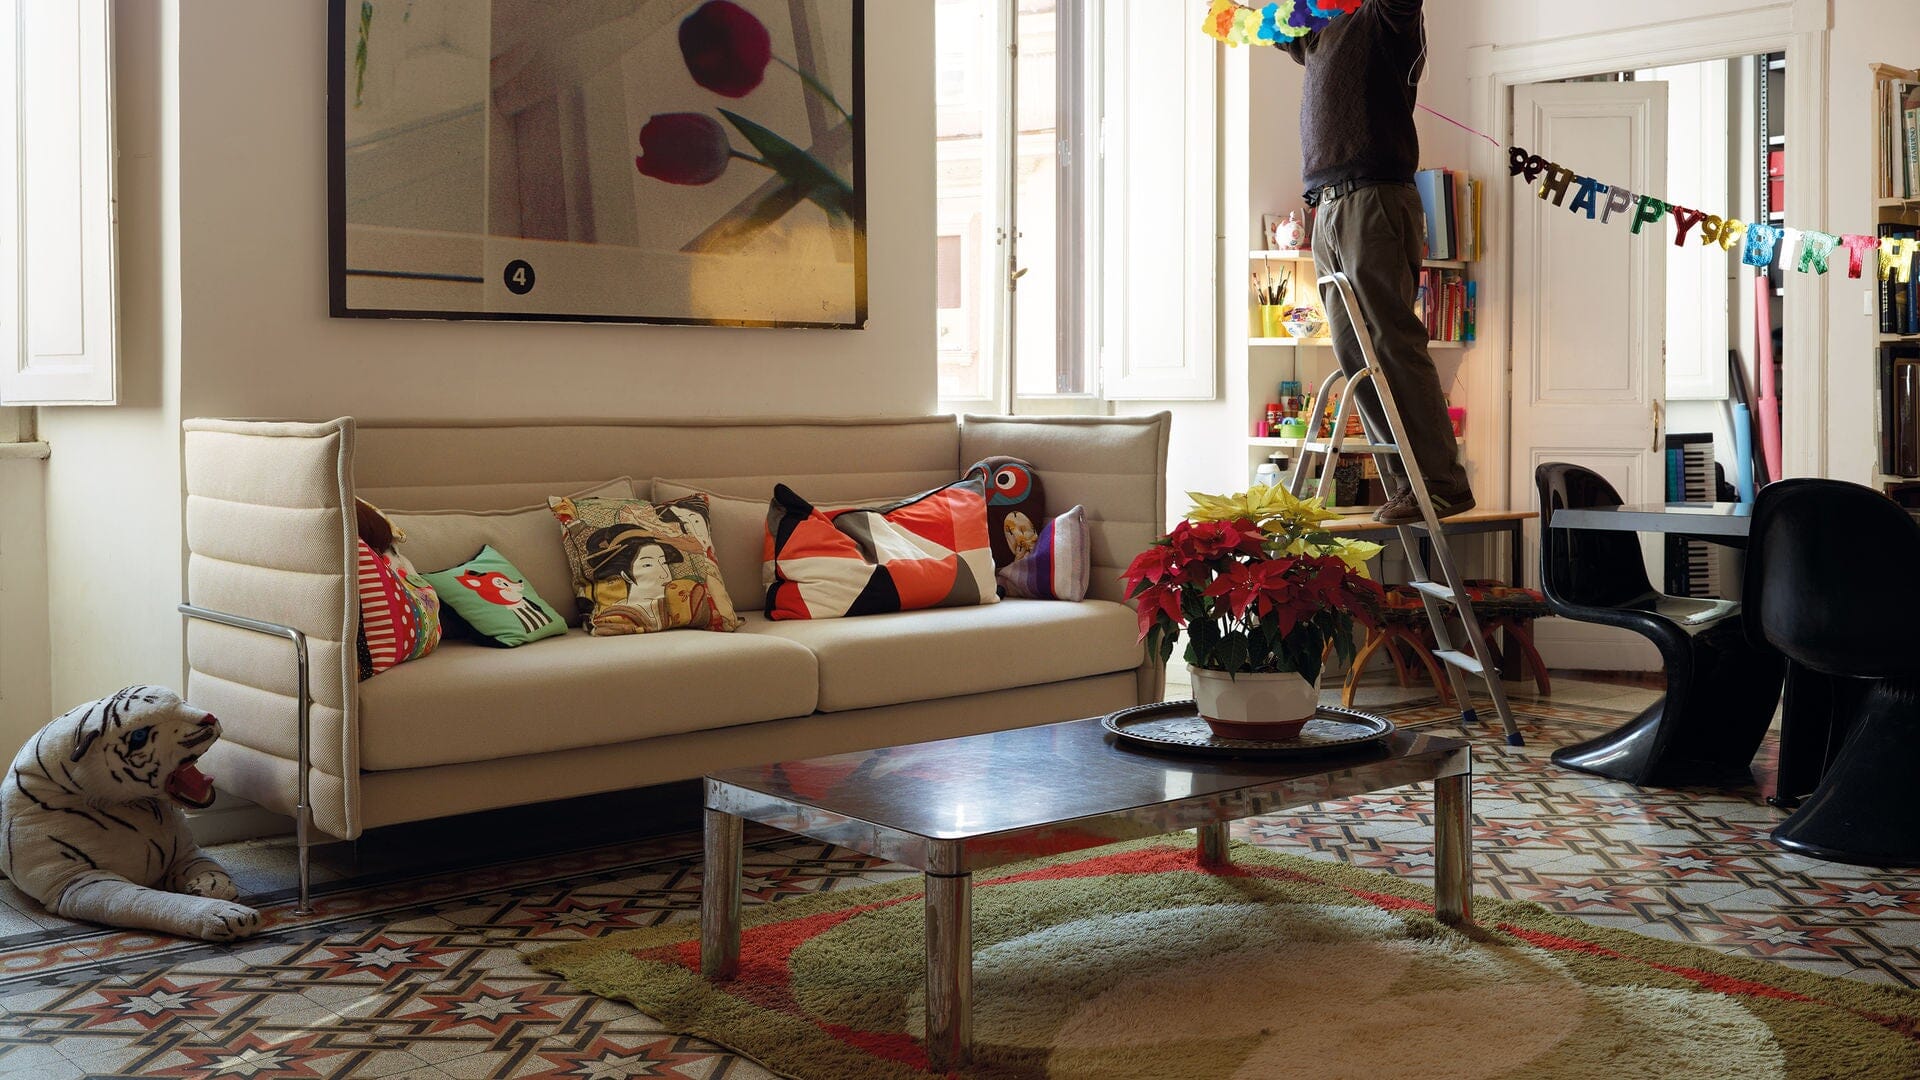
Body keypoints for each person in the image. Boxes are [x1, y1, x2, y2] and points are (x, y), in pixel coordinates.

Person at [1282, 0, 1475, 525]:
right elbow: (1274, 25)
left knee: (1391, 342)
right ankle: (1407, 481)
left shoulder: (1382, 17)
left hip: (1374, 197)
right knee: (1353, 351)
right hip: (1326, 206)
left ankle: (1442, 483)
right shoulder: (1319, 29)